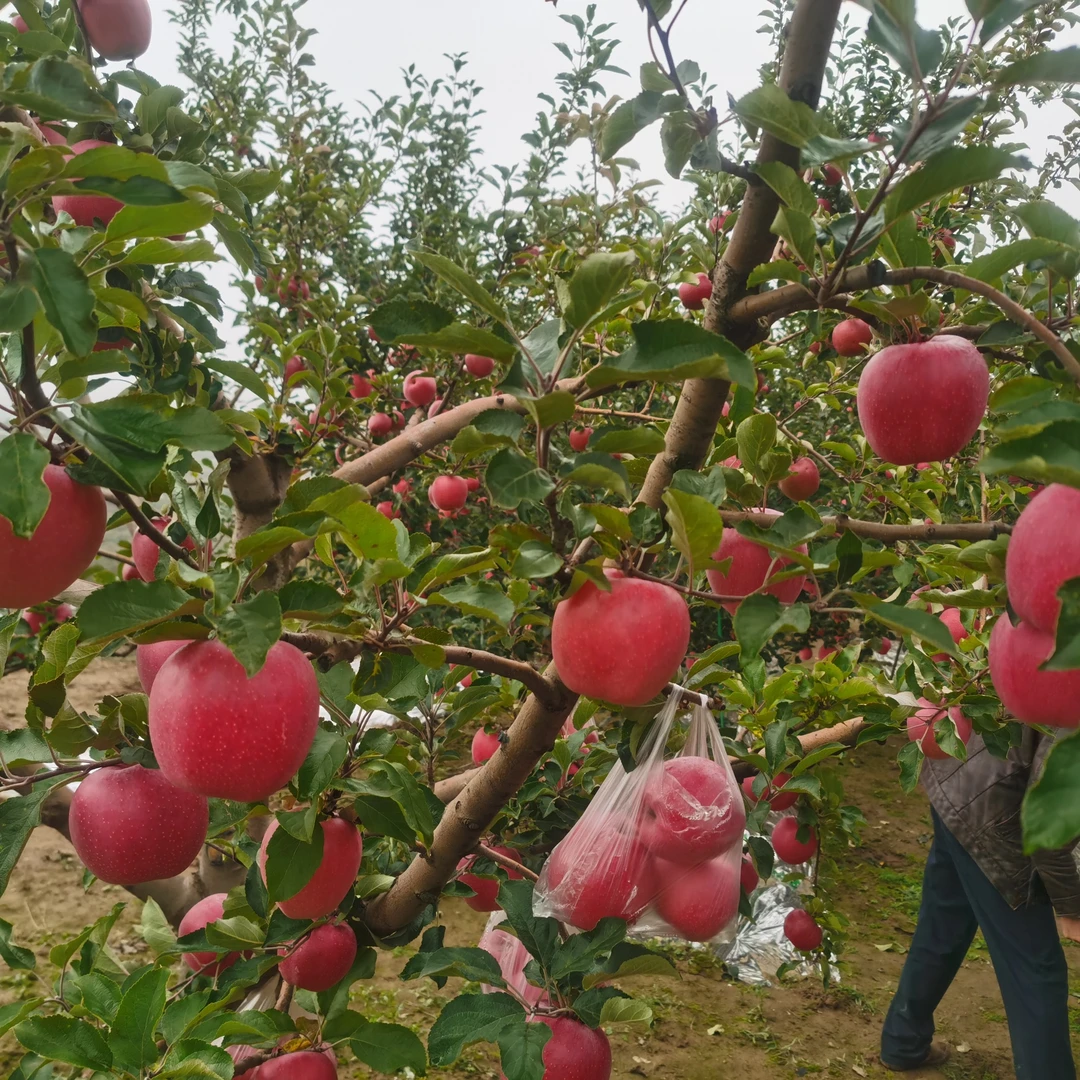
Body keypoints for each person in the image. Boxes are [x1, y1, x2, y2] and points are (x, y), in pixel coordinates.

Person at [880, 726, 1080, 1076]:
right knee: (1036, 970)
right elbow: (1051, 814)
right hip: (993, 816)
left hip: (957, 775)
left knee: (945, 921)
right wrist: (1072, 906)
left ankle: (903, 1040)